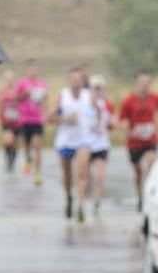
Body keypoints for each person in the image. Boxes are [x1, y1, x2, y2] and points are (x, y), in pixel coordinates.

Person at [52, 67, 94, 222]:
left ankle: (81, 205)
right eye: (73, 79)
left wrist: (97, 123)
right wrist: (64, 119)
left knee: (82, 172)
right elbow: (49, 117)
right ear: (69, 81)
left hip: (83, 140)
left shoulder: (88, 96)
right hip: (65, 141)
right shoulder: (63, 96)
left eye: (78, 79)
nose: (76, 82)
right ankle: (69, 196)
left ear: (82, 82)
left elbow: (99, 111)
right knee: (68, 175)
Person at [117, 71, 158, 210]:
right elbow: (122, 121)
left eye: (147, 83)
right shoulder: (129, 101)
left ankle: (150, 194)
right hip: (134, 142)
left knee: (151, 164)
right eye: (142, 83)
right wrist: (130, 130)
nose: (145, 86)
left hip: (150, 140)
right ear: (137, 83)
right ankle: (140, 195)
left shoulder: (155, 98)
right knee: (137, 172)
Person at [84, 74, 114, 220]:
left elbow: (112, 122)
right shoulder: (83, 103)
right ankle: (82, 202)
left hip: (101, 144)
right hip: (86, 144)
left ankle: (97, 204)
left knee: (100, 177)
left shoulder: (107, 104)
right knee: (87, 178)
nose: (97, 91)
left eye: (99, 88)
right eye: (95, 88)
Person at [13, 60, 47, 184]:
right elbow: (15, 99)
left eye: (35, 69)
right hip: (24, 119)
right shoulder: (22, 83)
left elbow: (44, 100)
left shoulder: (42, 83)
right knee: (27, 146)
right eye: (30, 69)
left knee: (37, 146)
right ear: (26, 70)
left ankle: (37, 174)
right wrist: (25, 94)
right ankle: (28, 160)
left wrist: (44, 108)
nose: (33, 71)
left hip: (37, 119)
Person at [0, 69, 20, 173]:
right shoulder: (1, 91)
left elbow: (23, 102)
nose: (10, 81)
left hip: (17, 121)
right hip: (5, 120)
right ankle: (8, 158)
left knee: (15, 142)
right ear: (4, 80)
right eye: (8, 79)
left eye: (11, 79)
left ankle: (12, 160)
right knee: (8, 140)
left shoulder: (18, 91)